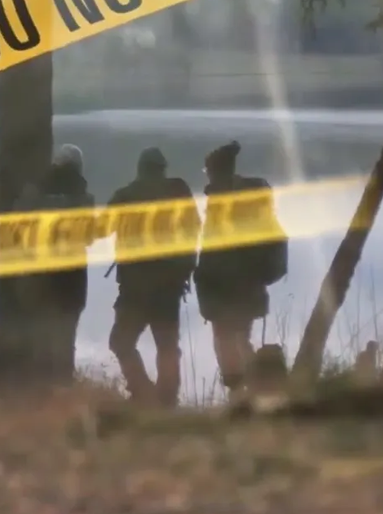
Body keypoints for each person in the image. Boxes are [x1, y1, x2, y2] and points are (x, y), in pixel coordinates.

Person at [193, 140, 290, 401]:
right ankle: (256, 390)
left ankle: (239, 395)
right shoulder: (250, 195)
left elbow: (214, 250)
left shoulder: (222, 199)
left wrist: (203, 280)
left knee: (225, 339)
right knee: (240, 338)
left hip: (225, 286)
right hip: (250, 283)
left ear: (215, 170)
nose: (207, 175)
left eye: (207, 170)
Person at [106, 147, 198, 407]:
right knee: (167, 346)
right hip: (168, 287)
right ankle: (167, 399)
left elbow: (102, 226)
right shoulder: (178, 191)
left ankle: (142, 392)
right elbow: (193, 230)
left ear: (140, 169)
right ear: (162, 169)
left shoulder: (125, 195)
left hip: (135, 288)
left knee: (121, 342)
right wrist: (186, 268)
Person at [14, 143, 96, 381]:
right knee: (67, 334)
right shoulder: (84, 198)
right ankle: (63, 384)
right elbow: (89, 237)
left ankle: (40, 385)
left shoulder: (33, 193)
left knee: (40, 331)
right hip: (72, 275)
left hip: (40, 273)